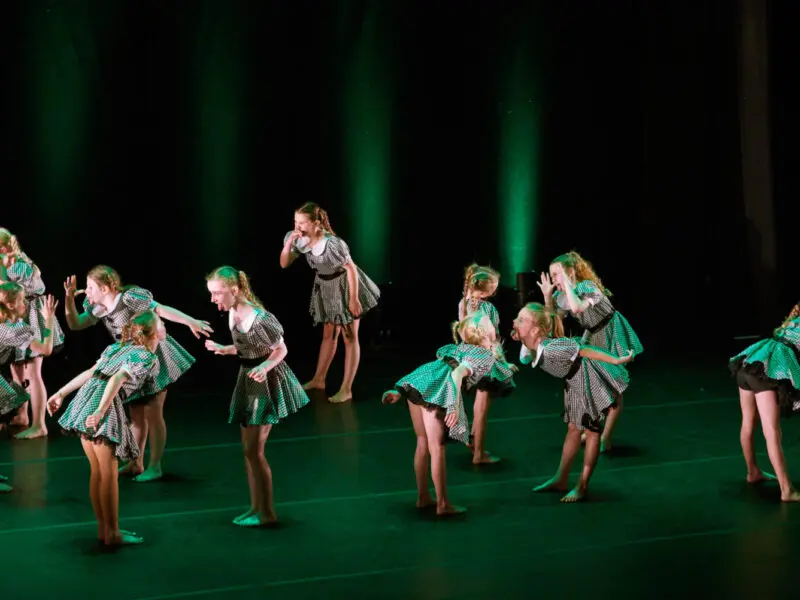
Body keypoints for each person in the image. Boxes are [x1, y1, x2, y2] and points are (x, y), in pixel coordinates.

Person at [63, 265, 212, 481]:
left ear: (105, 288)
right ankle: (136, 463)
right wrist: (68, 299)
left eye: (90, 287)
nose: (87, 291)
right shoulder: (98, 308)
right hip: (128, 358)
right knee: (135, 415)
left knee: (154, 412)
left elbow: (160, 309)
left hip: (152, 356)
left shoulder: (129, 298)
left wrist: (190, 321)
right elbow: (76, 324)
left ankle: (155, 465)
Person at [47, 310, 166, 545]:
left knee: (98, 472)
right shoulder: (144, 356)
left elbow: (92, 373)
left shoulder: (116, 348)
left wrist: (61, 393)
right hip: (102, 404)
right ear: (154, 332)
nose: (165, 326)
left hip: (85, 400)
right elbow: (116, 378)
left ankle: (105, 530)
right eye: (162, 323)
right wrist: (101, 410)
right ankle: (112, 533)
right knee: (108, 474)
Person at [205, 266, 310, 526]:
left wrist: (264, 368)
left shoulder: (261, 318)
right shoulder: (232, 312)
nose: (213, 299)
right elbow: (246, 347)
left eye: (217, 293)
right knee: (248, 451)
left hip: (266, 381)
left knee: (254, 451)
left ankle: (267, 513)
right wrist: (224, 349)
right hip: (249, 377)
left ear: (235, 290)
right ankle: (255, 508)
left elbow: (280, 349)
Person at [511, 303, 632, 502]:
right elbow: (529, 349)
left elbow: (584, 350)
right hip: (573, 380)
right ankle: (561, 479)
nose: (515, 322)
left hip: (588, 378)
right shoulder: (532, 346)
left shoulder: (553, 349)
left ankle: (582, 485)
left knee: (592, 431)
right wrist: (547, 300)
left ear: (535, 330)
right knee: (574, 428)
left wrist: (616, 360)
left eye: (521, 319)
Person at [280, 202, 380, 403]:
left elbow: (351, 269)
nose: (298, 226)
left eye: (302, 222)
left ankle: (346, 388)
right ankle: (319, 379)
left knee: (349, 337)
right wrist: (288, 244)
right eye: (295, 222)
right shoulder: (299, 239)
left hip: (345, 286)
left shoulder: (333, 244)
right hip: (325, 286)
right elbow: (284, 264)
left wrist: (353, 300)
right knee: (328, 334)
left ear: (316, 223)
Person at [729, 302, 800, 502]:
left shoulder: (791, 323)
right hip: (764, 373)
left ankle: (753, 472)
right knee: (772, 432)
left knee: (748, 423)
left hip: (748, 364)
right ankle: (786, 490)